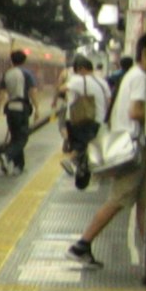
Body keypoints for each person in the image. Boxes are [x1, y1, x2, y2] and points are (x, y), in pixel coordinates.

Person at [67, 54, 146, 267]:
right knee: (118, 200)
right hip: (133, 149)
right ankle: (81, 245)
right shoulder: (141, 77)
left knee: (143, 203)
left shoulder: (132, 75)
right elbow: (135, 111)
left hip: (126, 145)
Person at [58, 52, 104, 190]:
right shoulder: (101, 81)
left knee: (82, 146)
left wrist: (63, 81)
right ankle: (82, 176)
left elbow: (61, 89)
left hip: (81, 119)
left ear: (81, 69)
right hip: (98, 119)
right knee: (88, 146)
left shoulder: (78, 81)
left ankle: (71, 161)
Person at [0, 49, 34, 173]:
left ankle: (18, 166)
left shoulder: (7, 74)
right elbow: (32, 91)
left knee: (15, 136)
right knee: (23, 138)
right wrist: (37, 107)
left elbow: (1, 93)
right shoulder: (26, 73)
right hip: (21, 108)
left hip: (10, 108)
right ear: (24, 61)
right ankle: (7, 155)